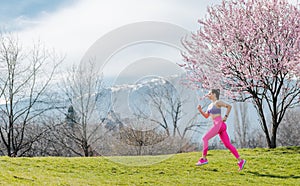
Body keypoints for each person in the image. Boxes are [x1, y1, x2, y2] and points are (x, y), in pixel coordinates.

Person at [196, 89, 246, 171]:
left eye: (209, 93)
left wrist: (225, 117)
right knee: (227, 145)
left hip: (219, 124)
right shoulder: (210, 105)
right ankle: (240, 161)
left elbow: (229, 106)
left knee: (205, 138)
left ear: (214, 94)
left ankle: (204, 158)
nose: (208, 95)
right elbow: (206, 116)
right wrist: (200, 110)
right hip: (219, 126)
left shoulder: (217, 102)